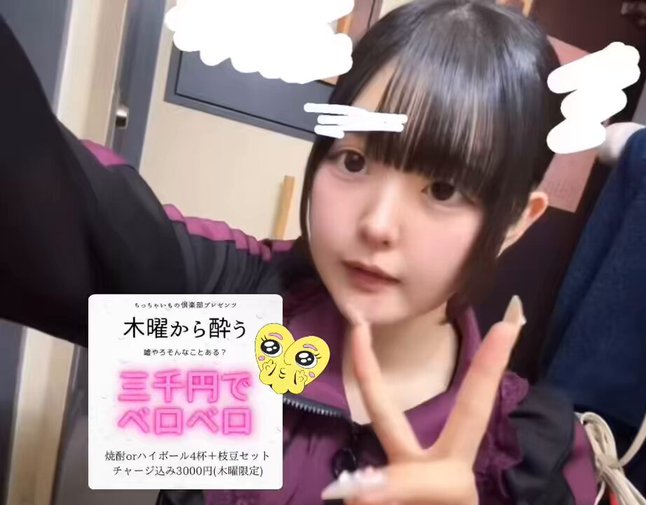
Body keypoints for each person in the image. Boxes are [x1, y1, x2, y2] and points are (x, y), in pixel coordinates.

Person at [0, 1, 600, 504]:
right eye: (353, 161)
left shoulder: (530, 457)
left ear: (515, 221)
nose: (377, 224)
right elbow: (44, 206)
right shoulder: (234, 312)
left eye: (443, 190)